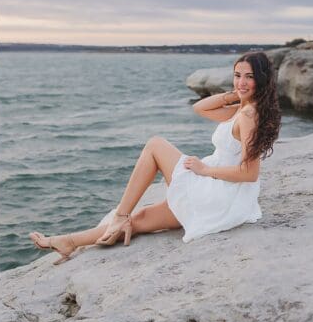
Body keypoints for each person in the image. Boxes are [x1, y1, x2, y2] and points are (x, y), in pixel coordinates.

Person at [29, 51, 280, 264]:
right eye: (237, 75)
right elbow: (200, 107)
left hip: (220, 190)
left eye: (249, 77)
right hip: (218, 191)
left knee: (155, 145)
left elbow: (250, 173)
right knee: (140, 219)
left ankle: (120, 215)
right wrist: (237, 93)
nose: (241, 81)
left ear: (262, 79)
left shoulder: (248, 116)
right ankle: (69, 241)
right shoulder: (242, 109)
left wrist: (204, 170)